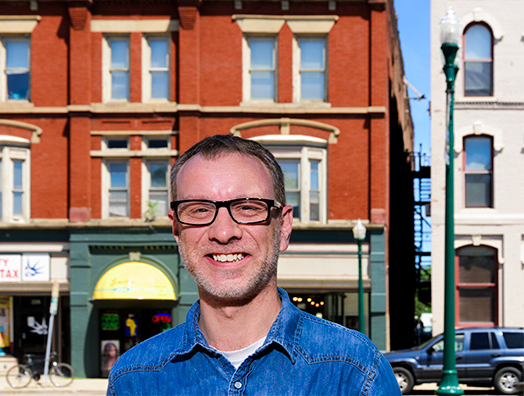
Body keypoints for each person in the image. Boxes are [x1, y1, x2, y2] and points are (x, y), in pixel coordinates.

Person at [107, 135, 400, 395]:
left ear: (283, 227)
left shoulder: (354, 372)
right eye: (199, 210)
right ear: (176, 230)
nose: (223, 232)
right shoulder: (133, 379)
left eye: (247, 208)